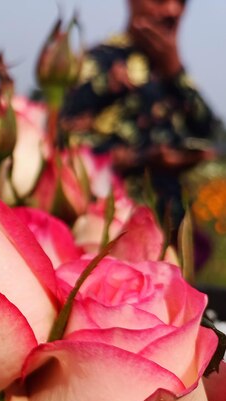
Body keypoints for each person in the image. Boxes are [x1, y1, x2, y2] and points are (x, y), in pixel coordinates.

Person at [61, 0, 218, 239]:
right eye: (159, 0)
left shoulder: (173, 72)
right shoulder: (97, 64)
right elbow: (65, 143)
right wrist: (142, 159)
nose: (172, 11)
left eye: (182, 2)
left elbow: (210, 132)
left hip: (171, 234)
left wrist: (174, 69)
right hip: (110, 235)